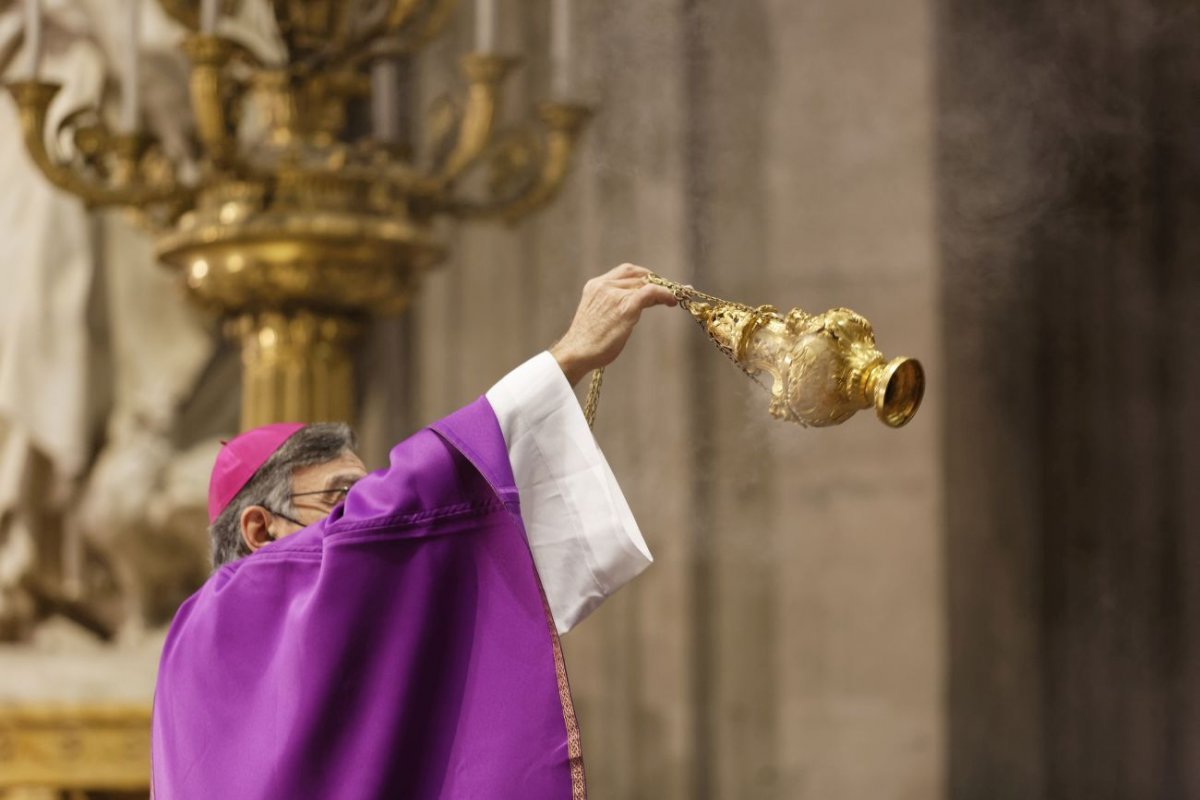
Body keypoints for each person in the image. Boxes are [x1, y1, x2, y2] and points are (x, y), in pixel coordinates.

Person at [151, 264, 678, 799]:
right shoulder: (222, 613)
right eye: (343, 503)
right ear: (260, 529)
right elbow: (401, 507)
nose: (362, 522)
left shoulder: (241, 652)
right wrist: (568, 356)